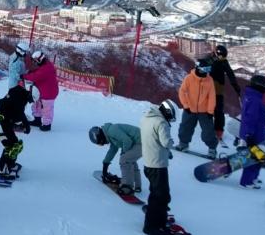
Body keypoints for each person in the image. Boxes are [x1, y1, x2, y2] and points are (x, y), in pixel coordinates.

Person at [141, 100, 177, 235]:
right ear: (167, 111)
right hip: (158, 165)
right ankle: (150, 227)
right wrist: (171, 144)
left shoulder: (146, 117)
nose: (170, 119)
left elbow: (153, 139)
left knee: (158, 194)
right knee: (160, 196)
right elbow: (166, 142)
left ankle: (160, 220)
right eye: (171, 115)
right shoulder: (161, 122)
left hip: (148, 163)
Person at [175, 57, 218, 157]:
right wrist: (186, 105)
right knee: (185, 127)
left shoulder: (209, 80)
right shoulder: (189, 78)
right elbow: (182, 91)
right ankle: (183, 144)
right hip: (190, 109)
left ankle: (212, 149)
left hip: (205, 111)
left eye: (208, 69)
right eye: (205, 69)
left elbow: (212, 96)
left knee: (208, 132)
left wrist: (210, 111)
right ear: (198, 68)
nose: (206, 72)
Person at [0, 83, 34, 182]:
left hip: (4, 120)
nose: (30, 102)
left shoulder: (19, 94)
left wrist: (22, 124)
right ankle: (2, 169)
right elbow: (19, 113)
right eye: (31, 100)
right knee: (11, 145)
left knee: (14, 143)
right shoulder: (20, 99)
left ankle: (10, 165)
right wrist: (26, 125)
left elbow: (14, 111)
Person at [90, 123, 143, 196]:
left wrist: (123, 153)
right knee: (130, 160)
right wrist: (105, 163)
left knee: (124, 159)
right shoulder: (110, 134)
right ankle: (137, 186)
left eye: (101, 143)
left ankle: (127, 187)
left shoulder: (112, 130)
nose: (104, 144)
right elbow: (112, 150)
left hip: (142, 142)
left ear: (100, 137)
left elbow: (127, 140)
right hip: (140, 142)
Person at [238, 74, 265, 189]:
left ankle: (252, 178)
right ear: (260, 86)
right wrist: (249, 135)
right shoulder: (255, 100)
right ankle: (247, 181)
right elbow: (250, 118)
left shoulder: (251, 97)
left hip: (254, 133)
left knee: (259, 157)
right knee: (254, 158)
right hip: (254, 135)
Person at [209, 44, 242, 142]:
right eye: (221, 56)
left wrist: (236, 87)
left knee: (218, 111)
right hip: (208, 89)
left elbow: (230, 74)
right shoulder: (209, 60)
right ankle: (207, 127)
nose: (222, 58)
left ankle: (218, 131)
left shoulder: (223, 62)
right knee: (209, 109)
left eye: (224, 57)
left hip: (217, 90)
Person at [25, 49, 59, 131]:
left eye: (35, 61)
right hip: (41, 90)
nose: (35, 63)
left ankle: (47, 125)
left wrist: (24, 76)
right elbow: (38, 71)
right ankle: (37, 120)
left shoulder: (46, 68)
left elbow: (35, 76)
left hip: (49, 93)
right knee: (36, 105)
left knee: (47, 109)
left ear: (39, 60)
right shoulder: (45, 64)